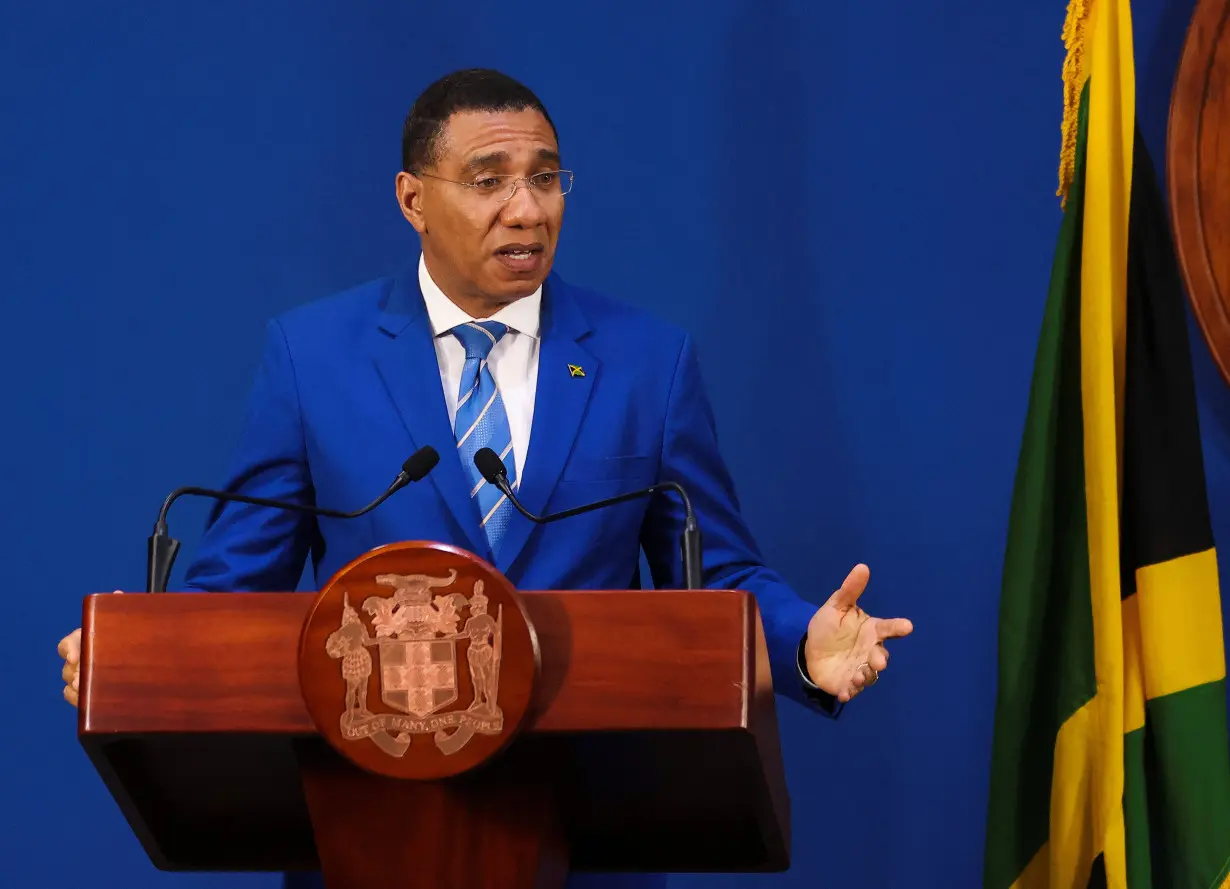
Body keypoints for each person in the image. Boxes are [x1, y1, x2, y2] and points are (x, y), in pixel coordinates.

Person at [58, 68, 914, 886]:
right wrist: (136, 662)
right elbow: (238, 582)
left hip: (589, 829)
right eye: (488, 179)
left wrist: (803, 641)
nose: (527, 208)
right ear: (413, 199)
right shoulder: (312, 357)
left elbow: (714, 575)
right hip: (369, 817)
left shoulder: (648, 362)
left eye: (547, 178)